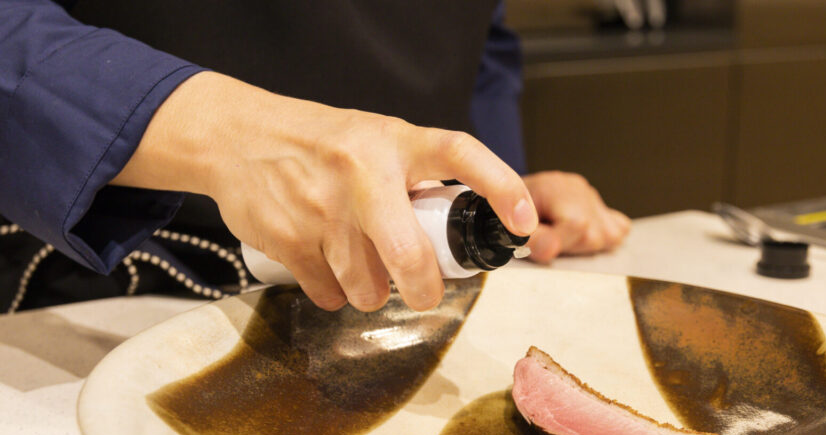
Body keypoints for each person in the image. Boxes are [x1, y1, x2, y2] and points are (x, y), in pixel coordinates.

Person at [0, 1, 630, 313]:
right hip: (112, 289)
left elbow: (480, 44)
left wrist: (489, 194)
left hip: (405, 308)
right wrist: (229, 134)